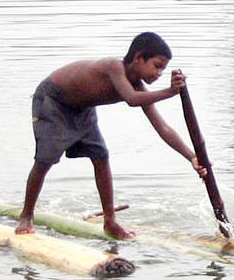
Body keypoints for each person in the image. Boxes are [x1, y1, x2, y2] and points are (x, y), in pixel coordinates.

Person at [15, 32, 207, 239]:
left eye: (163, 68)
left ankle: (110, 221)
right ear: (138, 58)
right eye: (157, 65)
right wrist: (170, 92)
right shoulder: (113, 67)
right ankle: (26, 215)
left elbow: (162, 127)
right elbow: (132, 99)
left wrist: (192, 157)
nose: (159, 73)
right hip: (53, 101)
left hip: (82, 109)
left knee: (101, 156)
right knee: (45, 159)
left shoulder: (138, 86)